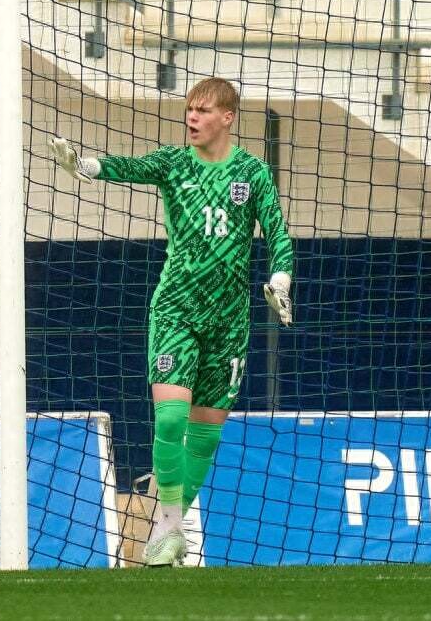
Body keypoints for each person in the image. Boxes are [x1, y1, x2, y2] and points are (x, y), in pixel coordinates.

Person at [49, 77, 294, 567]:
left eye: (203, 110)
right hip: (176, 309)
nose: (192, 117)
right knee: (170, 418)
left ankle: (171, 524)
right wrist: (86, 166)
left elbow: (278, 233)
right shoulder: (175, 163)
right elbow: (128, 166)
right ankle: (166, 524)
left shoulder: (252, 172)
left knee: (205, 435)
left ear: (227, 117)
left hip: (229, 320)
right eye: (189, 109)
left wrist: (280, 279)